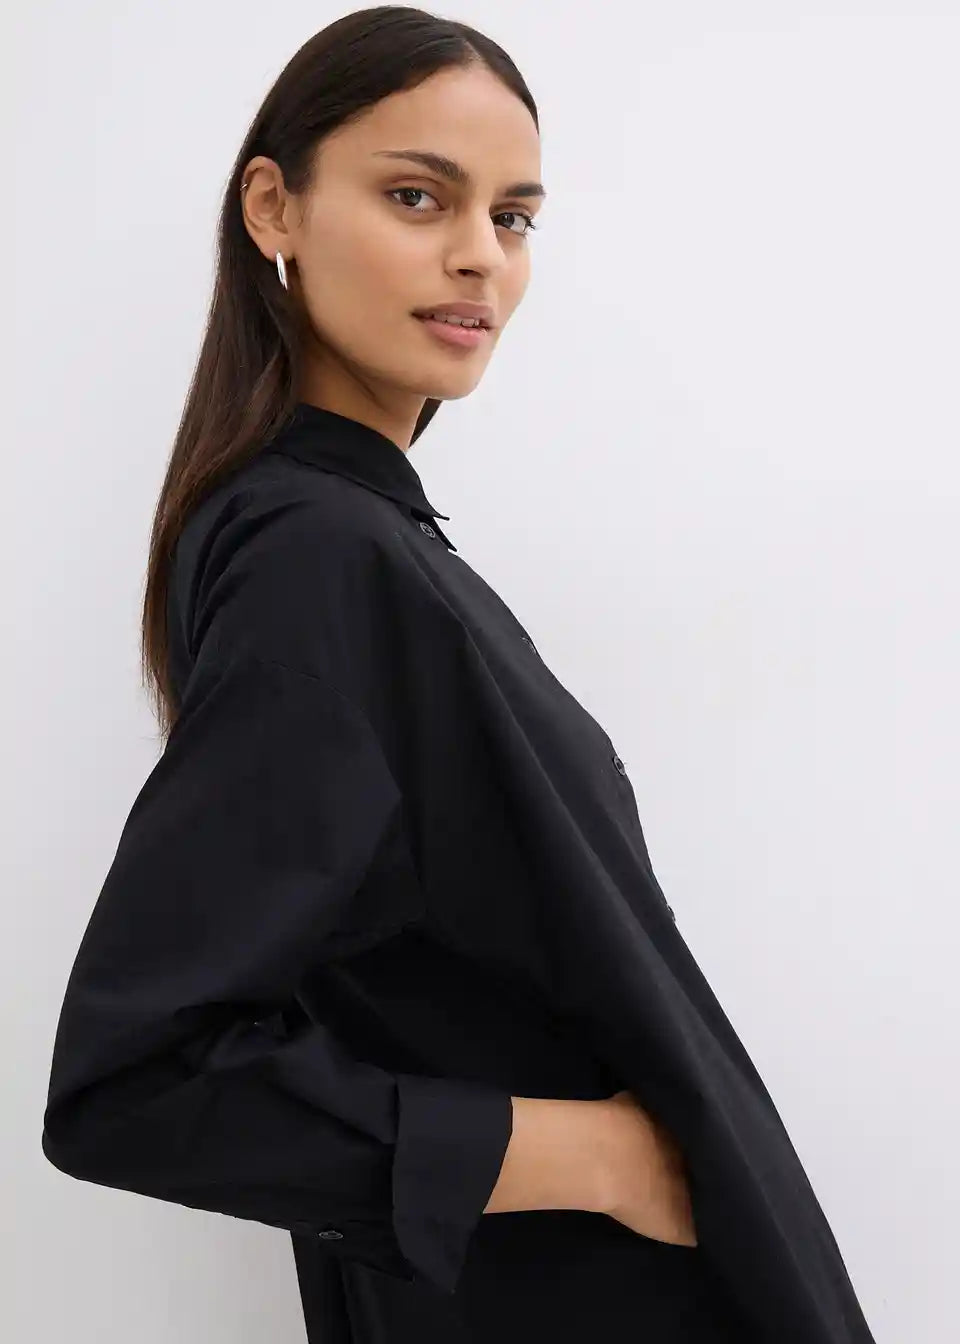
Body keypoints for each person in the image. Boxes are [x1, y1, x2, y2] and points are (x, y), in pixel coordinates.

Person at [40, 7, 878, 1343]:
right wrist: (595, 1157)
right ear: (274, 208)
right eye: (418, 196)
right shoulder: (317, 554)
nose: (481, 253)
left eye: (515, 216)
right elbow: (137, 1084)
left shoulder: (364, 543)